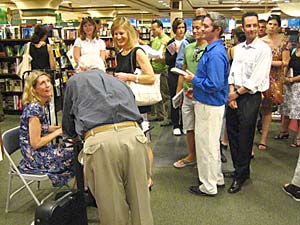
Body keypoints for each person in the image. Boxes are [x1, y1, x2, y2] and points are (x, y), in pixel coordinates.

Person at [62, 54, 153, 225]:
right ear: (103, 67)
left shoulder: (76, 81)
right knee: (141, 202)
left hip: (100, 142)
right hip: (134, 136)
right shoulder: (119, 82)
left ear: (80, 69)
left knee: (112, 207)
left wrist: (72, 136)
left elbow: (68, 119)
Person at [226, 11, 272, 194]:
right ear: (243, 28)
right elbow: (233, 71)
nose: (252, 29)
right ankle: (240, 169)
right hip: (234, 94)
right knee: (233, 133)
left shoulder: (263, 49)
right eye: (248, 26)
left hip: (249, 96)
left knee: (245, 137)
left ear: (258, 27)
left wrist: (236, 94)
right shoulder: (240, 48)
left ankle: (241, 175)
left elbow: (256, 79)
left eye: (255, 25)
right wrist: (231, 91)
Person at [184, 12, 229, 196]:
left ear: (217, 30)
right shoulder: (214, 50)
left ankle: (208, 186)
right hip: (208, 102)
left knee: (206, 147)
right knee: (211, 145)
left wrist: (193, 80)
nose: (202, 28)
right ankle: (216, 178)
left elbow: (215, 84)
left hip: (209, 105)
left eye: (207, 26)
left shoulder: (216, 53)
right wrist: (196, 89)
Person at [111, 17, 155, 189]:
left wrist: (129, 77)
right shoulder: (119, 53)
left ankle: (147, 177)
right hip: (124, 104)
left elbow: (150, 77)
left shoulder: (137, 52)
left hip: (138, 105)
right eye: (115, 34)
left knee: (144, 142)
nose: (119, 37)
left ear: (128, 33)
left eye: (121, 33)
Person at [19, 70, 74, 187]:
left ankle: (79, 189)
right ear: (34, 89)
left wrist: (58, 127)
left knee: (73, 147)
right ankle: (78, 190)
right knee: (76, 152)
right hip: (34, 157)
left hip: (40, 151)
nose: (48, 85)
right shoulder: (34, 110)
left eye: (48, 81)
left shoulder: (41, 105)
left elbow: (41, 128)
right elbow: (36, 143)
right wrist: (58, 132)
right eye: (42, 83)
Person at [173, 15, 207, 168]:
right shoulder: (187, 48)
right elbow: (183, 71)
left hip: (203, 95)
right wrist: (178, 93)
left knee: (203, 129)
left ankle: (203, 157)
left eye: (198, 27)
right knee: (189, 126)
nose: (194, 30)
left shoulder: (210, 48)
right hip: (187, 94)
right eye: (192, 27)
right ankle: (192, 154)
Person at [258, 14, 291, 150]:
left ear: (278, 26)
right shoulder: (260, 41)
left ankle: (263, 139)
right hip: (261, 76)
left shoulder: (284, 41)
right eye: (269, 24)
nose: (271, 27)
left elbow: (285, 62)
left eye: (274, 24)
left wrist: (268, 62)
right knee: (255, 108)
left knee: (267, 109)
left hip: (275, 79)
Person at [277, 33, 300, 147]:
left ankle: (298, 137)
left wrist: (291, 80)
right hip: (289, 85)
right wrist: (285, 77)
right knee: (286, 110)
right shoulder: (294, 51)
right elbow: (289, 65)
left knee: (298, 112)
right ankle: (284, 131)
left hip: (298, 86)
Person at [165, 18, 187, 136]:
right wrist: (176, 53)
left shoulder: (188, 42)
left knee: (185, 99)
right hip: (173, 74)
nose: (181, 30)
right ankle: (176, 124)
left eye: (183, 27)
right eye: (178, 28)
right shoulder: (171, 43)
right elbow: (167, 61)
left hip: (185, 73)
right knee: (174, 98)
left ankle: (184, 123)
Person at [150, 19, 171, 126]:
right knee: (156, 93)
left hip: (163, 71)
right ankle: (159, 114)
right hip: (154, 70)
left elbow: (164, 57)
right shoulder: (155, 40)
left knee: (165, 95)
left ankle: (167, 117)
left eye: (154, 29)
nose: (152, 31)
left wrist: (152, 59)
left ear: (160, 28)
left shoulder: (166, 40)